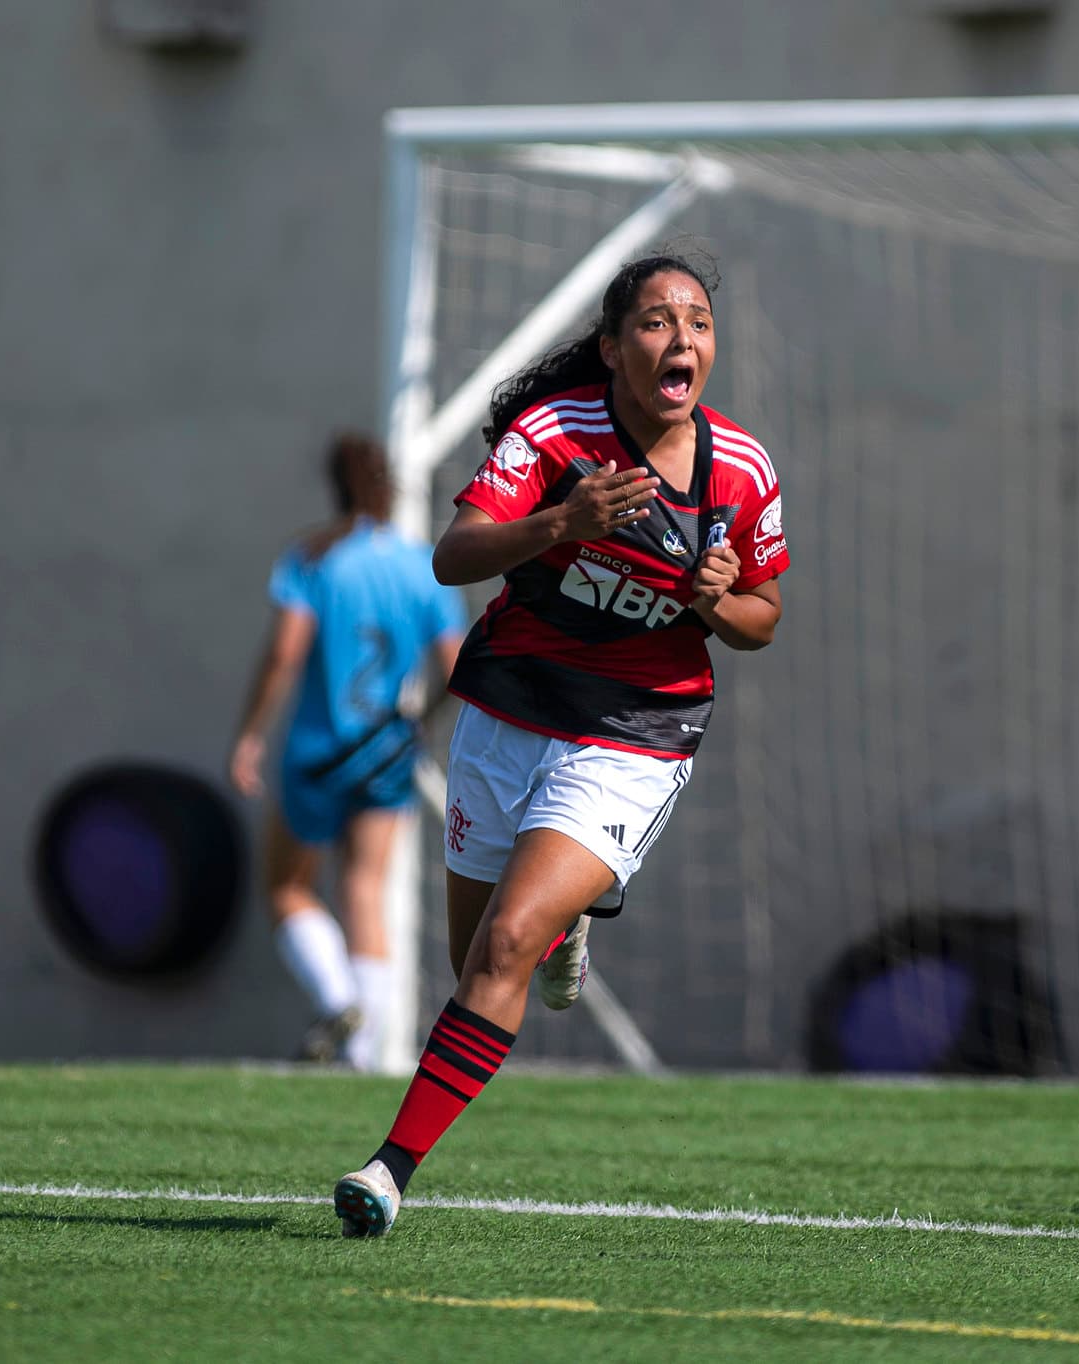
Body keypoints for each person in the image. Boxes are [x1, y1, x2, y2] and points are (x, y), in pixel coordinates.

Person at [332, 253, 791, 1237]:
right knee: (475, 963)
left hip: (634, 729)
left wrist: (720, 604)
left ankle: (388, 1168)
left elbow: (764, 616)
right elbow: (450, 554)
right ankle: (565, 918)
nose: (683, 338)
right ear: (612, 347)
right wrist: (558, 522)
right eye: (658, 321)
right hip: (510, 706)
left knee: (504, 942)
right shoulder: (556, 435)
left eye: (699, 321)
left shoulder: (741, 470)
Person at [229, 433, 464, 1069]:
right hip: (387, 750)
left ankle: (337, 1002)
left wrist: (250, 733)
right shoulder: (422, 565)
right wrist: (421, 720)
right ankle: (365, 1057)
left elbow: (284, 653)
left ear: (335, 486)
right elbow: (454, 664)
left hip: (317, 750)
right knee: (365, 889)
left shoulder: (313, 558)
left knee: (286, 886)